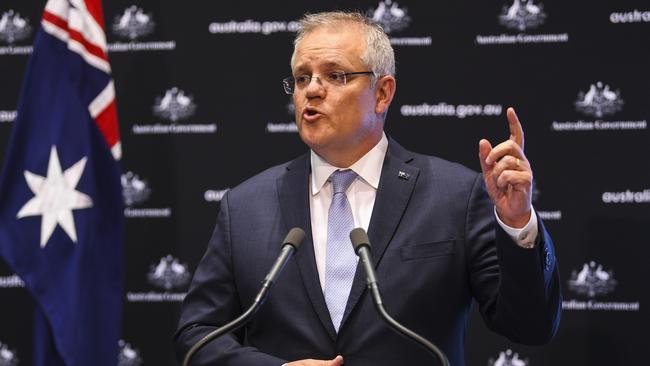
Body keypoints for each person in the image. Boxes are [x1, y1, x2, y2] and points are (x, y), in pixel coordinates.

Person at [175, 11, 561, 366]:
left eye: (335, 75)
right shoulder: (245, 207)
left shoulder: (455, 196)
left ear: (382, 93)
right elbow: (196, 337)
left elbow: (530, 327)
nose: (312, 90)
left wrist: (516, 223)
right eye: (302, 77)